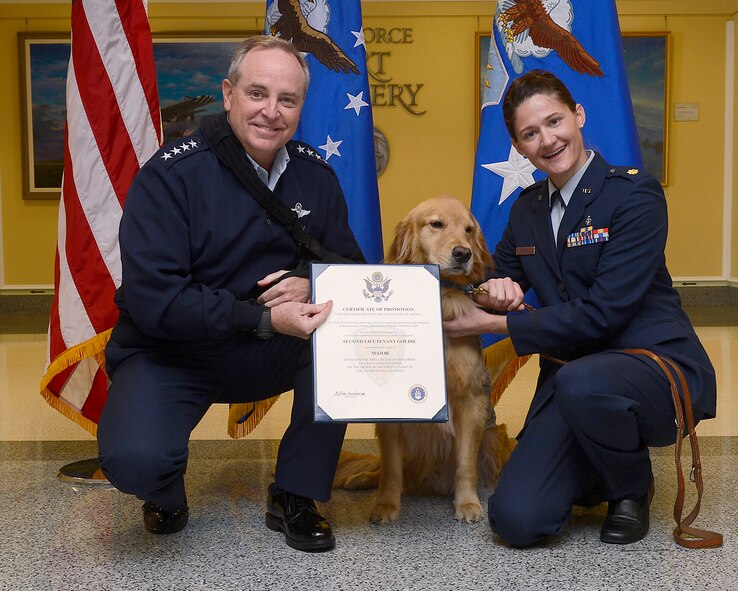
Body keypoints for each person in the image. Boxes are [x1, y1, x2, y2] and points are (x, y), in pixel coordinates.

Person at [97, 35, 364, 552]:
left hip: (273, 350)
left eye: (287, 100)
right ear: (228, 94)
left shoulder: (316, 177)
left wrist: (315, 279)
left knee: (340, 341)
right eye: (257, 93)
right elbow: (157, 301)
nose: (271, 111)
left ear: (300, 107)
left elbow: (349, 266)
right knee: (134, 460)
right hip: (174, 350)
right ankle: (165, 489)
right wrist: (262, 319)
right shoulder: (170, 177)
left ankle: (295, 492)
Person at [444, 70, 716, 547]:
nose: (547, 140)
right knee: (515, 520)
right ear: (519, 147)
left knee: (580, 379)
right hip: (575, 380)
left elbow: (602, 314)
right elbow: (488, 280)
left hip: (655, 370)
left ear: (578, 116)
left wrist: (495, 320)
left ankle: (631, 488)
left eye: (554, 121)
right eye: (530, 133)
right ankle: (593, 468)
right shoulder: (526, 210)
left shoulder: (634, 195)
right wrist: (489, 290)